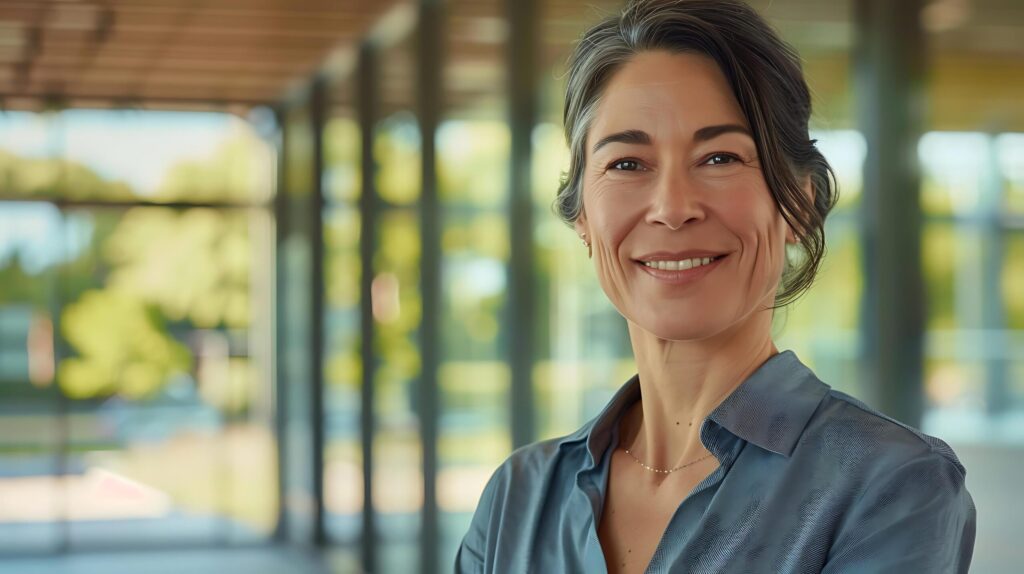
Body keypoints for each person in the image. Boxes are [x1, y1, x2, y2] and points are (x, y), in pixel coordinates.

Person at [455, 0, 976, 572]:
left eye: (720, 157)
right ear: (582, 216)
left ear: (798, 203)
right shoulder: (518, 497)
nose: (673, 208)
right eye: (628, 163)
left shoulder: (891, 487)